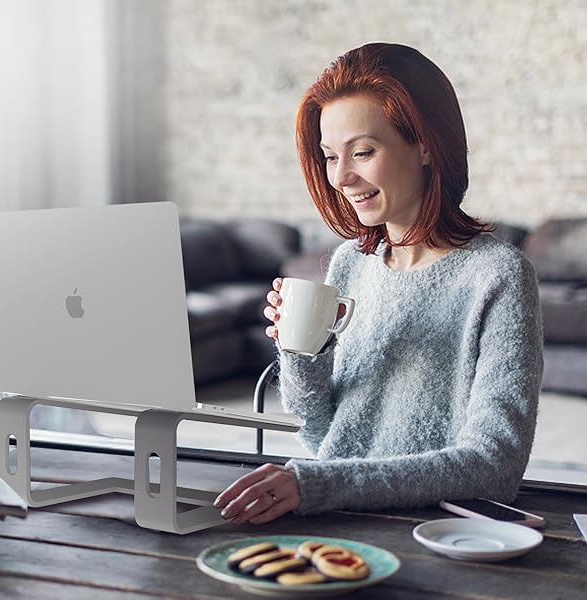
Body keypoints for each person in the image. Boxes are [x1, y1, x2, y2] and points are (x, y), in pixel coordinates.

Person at [213, 42, 543, 525]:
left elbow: (495, 468)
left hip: (432, 531)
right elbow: (323, 433)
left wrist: (317, 484)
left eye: (363, 152)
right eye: (329, 156)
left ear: (426, 144)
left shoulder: (498, 277)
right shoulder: (351, 263)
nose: (342, 177)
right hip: (334, 516)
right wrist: (301, 351)